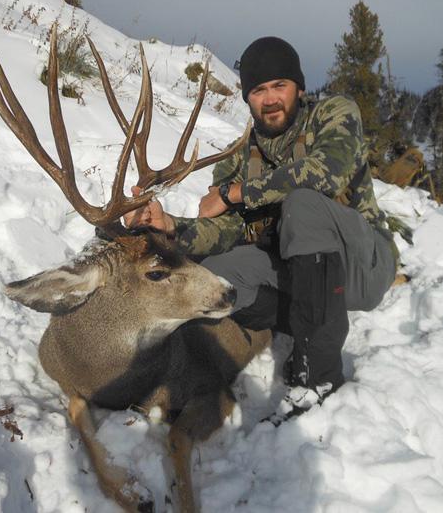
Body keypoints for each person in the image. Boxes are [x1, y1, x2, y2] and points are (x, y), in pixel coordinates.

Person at [124, 36, 397, 412]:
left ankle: (317, 380)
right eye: (258, 90)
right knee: (215, 274)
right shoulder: (239, 156)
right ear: (247, 98)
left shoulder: (335, 113)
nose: (270, 99)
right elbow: (225, 230)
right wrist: (170, 227)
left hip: (363, 267)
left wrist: (235, 193)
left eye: (279, 86)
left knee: (302, 204)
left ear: (299, 88)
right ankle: (301, 320)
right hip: (303, 276)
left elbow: (327, 173)